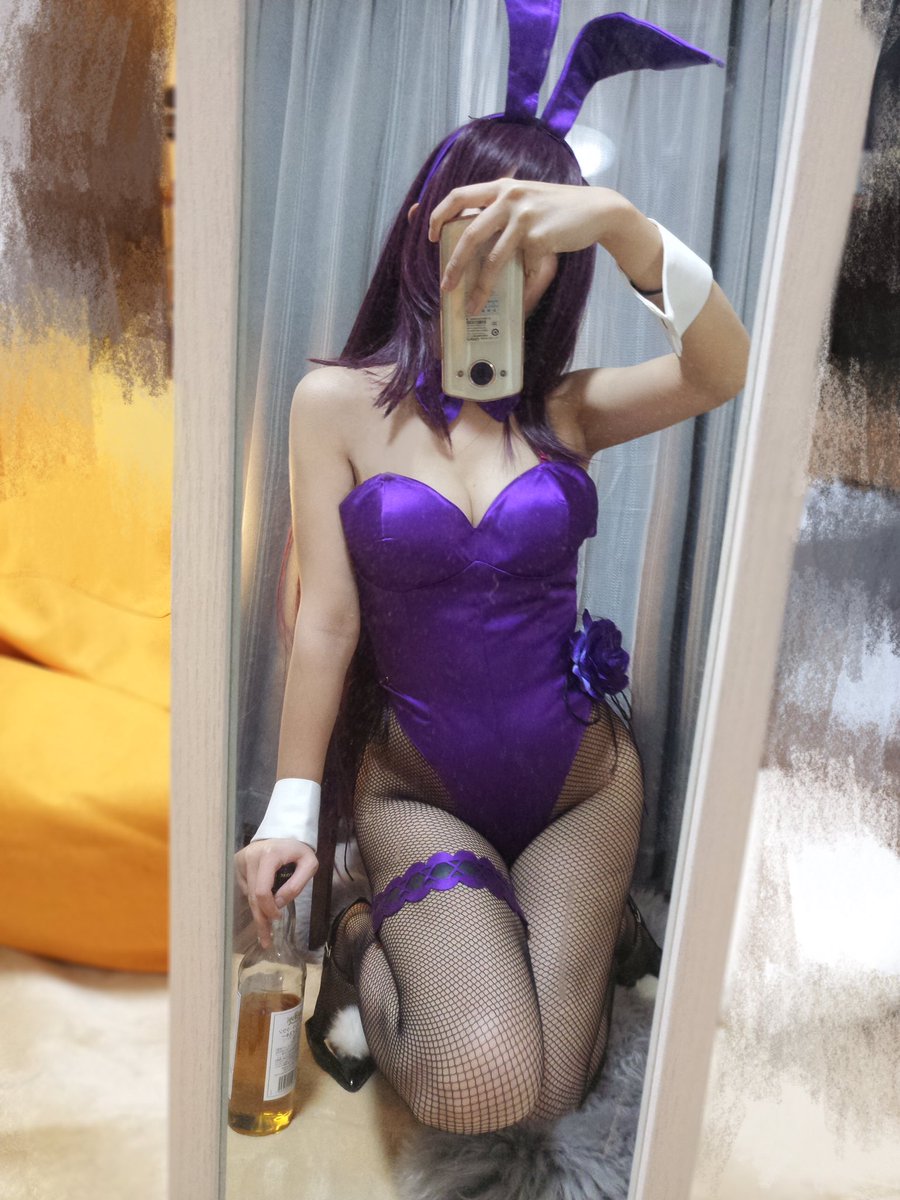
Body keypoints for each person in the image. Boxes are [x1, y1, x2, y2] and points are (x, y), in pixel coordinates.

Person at [234, 15, 749, 1136]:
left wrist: (623, 226)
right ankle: (367, 934)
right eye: (481, 221)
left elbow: (721, 370)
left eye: (538, 236)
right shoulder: (334, 406)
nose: (507, 257)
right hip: (419, 793)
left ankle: (542, 932)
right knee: (483, 1085)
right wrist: (292, 813)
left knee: (548, 1098)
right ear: (425, 226)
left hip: (581, 789)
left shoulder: (569, 408)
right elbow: (326, 623)